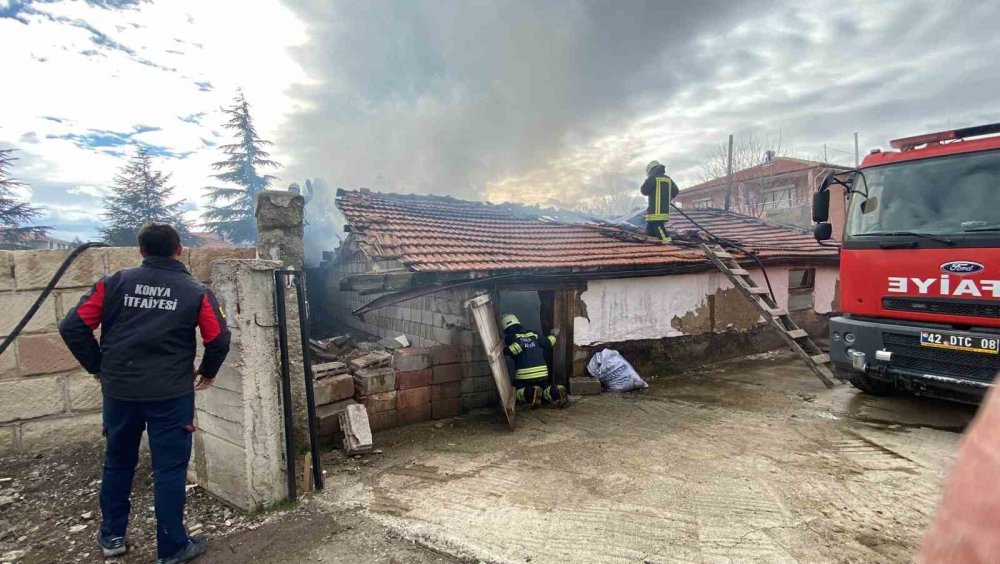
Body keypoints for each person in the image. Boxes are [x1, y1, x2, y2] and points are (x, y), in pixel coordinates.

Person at [59, 223, 231, 564]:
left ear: (141, 251)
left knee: (119, 461)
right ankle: (172, 548)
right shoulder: (195, 290)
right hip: (170, 395)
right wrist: (209, 372)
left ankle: (112, 537)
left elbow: (72, 325)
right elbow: (219, 338)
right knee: (169, 468)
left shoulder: (114, 283)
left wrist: (98, 367)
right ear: (179, 249)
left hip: (121, 392)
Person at [500, 314, 568, 408]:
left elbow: (515, 349)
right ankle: (556, 390)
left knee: (516, 391)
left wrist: (503, 351)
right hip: (542, 373)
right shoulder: (533, 333)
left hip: (524, 374)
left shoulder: (510, 336)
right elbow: (548, 343)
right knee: (545, 388)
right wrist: (553, 335)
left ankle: (531, 393)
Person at [640, 160, 680, 242]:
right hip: (664, 211)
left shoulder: (652, 178)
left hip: (655, 212)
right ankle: (649, 244)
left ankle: (668, 244)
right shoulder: (668, 179)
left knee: (660, 231)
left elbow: (644, 191)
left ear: (650, 170)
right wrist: (667, 198)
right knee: (650, 231)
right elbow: (676, 191)